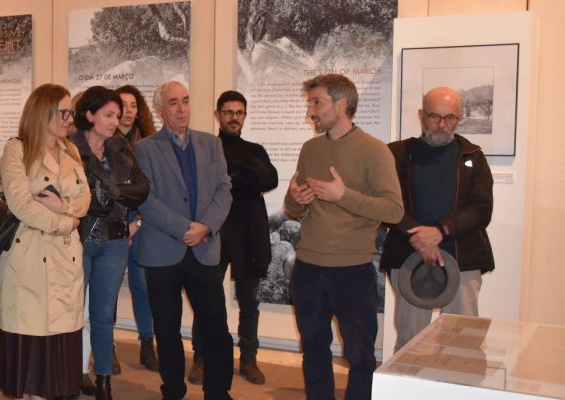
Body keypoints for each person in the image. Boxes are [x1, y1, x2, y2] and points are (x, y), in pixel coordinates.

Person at [284, 74, 403, 400]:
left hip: (352, 271)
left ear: (341, 104)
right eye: (310, 103)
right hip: (308, 269)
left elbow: (394, 211)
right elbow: (295, 209)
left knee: (361, 357)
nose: (310, 111)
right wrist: (296, 198)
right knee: (314, 351)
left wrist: (343, 195)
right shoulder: (310, 149)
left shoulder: (374, 151)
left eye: (316, 102)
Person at [132, 81, 234, 400]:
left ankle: (218, 392)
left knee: (216, 327)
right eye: (173, 103)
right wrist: (184, 227)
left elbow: (223, 190)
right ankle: (172, 390)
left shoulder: (211, 144)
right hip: (163, 250)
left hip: (203, 248)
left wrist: (205, 226)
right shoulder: (145, 148)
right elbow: (146, 199)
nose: (181, 109)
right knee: (167, 328)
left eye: (186, 101)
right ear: (160, 109)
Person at [381, 87, 494, 352]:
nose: (442, 125)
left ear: (460, 117)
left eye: (450, 117)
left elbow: (481, 208)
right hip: (409, 259)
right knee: (411, 341)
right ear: (422, 115)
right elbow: (386, 205)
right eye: (434, 116)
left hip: (462, 259)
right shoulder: (396, 154)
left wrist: (441, 231)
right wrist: (420, 238)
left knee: (464, 341)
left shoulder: (473, 156)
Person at [0, 83, 90, 400]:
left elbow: (85, 199)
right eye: (63, 112)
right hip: (31, 265)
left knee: (57, 367)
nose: (69, 119)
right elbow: (21, 205)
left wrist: (62, 207)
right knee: (32, 369)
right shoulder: (18, 149)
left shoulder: (71, 150)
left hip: (66, 265)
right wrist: (67, 223)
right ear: (42, 111)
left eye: (71, 112)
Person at [188, 90, 278, 385]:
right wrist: (245, 178)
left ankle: (249, 359)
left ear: (245, 116)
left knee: (250, 302)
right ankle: (201, 358)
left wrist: (231, 175)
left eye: (239, 112)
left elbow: (270, 179)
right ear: (218, 115)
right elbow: (210, 181)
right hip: (214, 232)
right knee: (207, 300)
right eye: (228, 112)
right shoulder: (205, 148)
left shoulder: (255, 149)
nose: (234, 118)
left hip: (249, 235)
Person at [71, 86, 150, 400]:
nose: (115, 121)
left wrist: (113, 191)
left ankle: (103, 380)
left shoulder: (120, 148)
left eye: (118, 115)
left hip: (115, 241)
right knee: (73, 313)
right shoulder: (70, 148)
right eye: (108, 115)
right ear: (89, 115)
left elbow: (142, 190)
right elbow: (84, 200)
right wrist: (118, 191)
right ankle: (70, 375)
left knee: (103, 316)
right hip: (79, 240)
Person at [113, 84, 160, 372]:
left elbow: (155, 190)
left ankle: (146, 343)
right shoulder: (103, 142)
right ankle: (108, 346)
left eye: (133, 105)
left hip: (142, 223)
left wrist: (137, 222)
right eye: (123, 105)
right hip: (112, 224)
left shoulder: (151, 143)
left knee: (142, 285)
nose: (129, 111)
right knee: (109, 288)